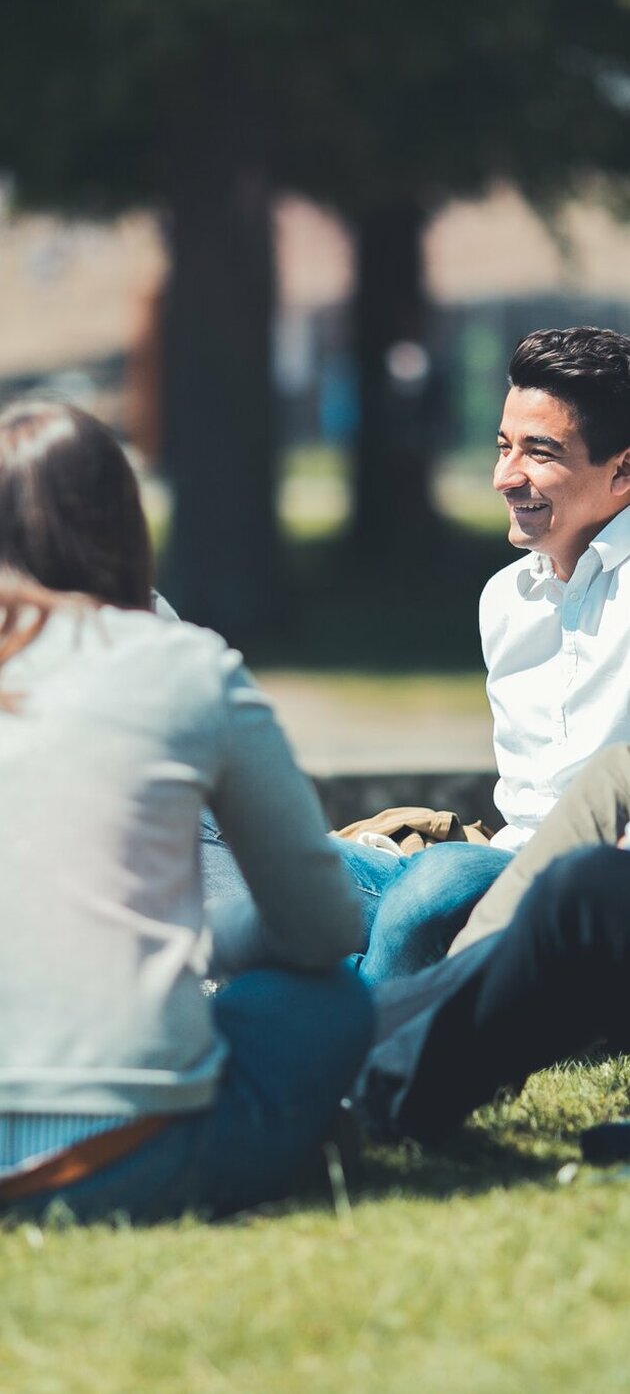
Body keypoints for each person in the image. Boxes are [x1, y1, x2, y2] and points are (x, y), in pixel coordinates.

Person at [0, 400, 373, 1223]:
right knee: (327, 1003)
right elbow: (323, 926)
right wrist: (209, 942)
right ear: (126, 523)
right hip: (123, 1153)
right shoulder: (181, 665)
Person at [199, 326, 630, 979]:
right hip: (491, 870)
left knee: (436, 885)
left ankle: (359, 1048)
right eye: (503, 446)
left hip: (588, 900)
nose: (503, 477)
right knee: (252, 848)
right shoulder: (506, 600)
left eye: (539, 452)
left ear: (623, 469)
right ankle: (364, 985)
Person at [356, 741, 630, 1145]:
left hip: (514, 871)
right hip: (510, 848)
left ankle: (376, 1077)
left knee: (436, 887)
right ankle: (350, 1034)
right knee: (228, 839)